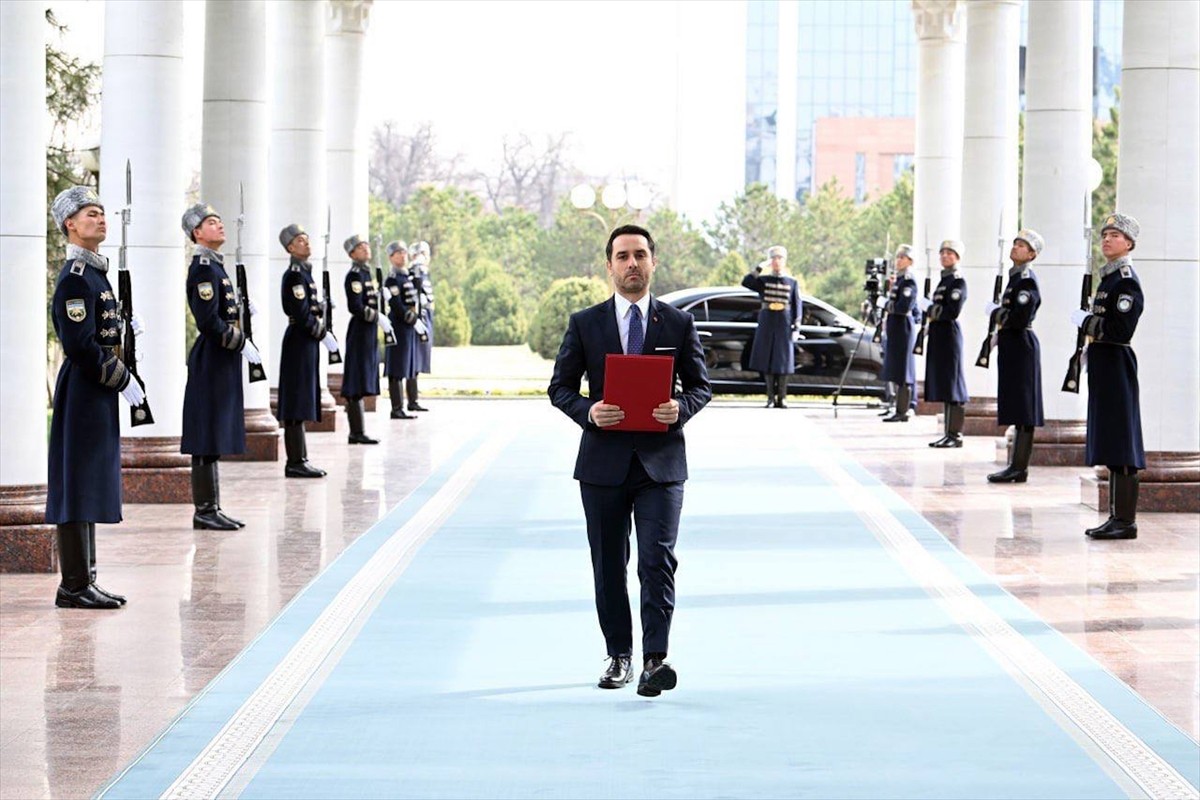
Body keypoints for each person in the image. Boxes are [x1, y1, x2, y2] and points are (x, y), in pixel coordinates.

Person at [548, 224, 712, 697]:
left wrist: (681, 407)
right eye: (622, 256)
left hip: (661, 465)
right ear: (609, 266)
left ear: (653, 262)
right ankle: (618, 654)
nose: (632, 263)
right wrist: (589, 411)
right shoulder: (586, 323)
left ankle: (655, 661)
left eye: (640, 254)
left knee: (657, 562)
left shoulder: (678, 324)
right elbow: (560, 388)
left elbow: (701, 386)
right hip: (603, 466)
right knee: (608, 564)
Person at [46, 186, 144, 609]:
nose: (101, 219)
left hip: (97, 387)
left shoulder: (96, 273)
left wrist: (125, 330)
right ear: (70, 224)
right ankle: (72, 585)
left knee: (88, 480)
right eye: (91, 213)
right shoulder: (75, 277)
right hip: (86, 386)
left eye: (102, 212)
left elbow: (100, 331)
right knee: (77, 482)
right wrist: (121, 377)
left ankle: (86, 579)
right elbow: (80, 345)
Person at [180, 203, 262, 529]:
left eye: (218, 220)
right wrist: (240, 341)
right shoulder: (203, 269)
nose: (220, 225)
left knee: (213, 434)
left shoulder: (216, 266)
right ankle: (204, 510)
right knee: (205, 435)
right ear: (197, 233)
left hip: (222, 358)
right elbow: (208, 322)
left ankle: (212, 507)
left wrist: (242, 311)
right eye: (212, 222)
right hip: (212, 358)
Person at [1075, 213, 1145, 540]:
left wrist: (1086, 322)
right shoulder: (1109, 279)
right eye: (1105, 235)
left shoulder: (1126, 281)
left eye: (1115, 235)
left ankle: (1126, 521)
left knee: (1122, 441)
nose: (1107, 239)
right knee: (1112, 441)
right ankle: (1116, 516)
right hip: (1104, 363)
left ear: (1129, 243)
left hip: (1116, 362)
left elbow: (1120, 329)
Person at [277, 224, 339, 477]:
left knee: (302, 399)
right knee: (295, 401)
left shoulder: (305, 273)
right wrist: (322, 334)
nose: (307, 243)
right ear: (290, 248)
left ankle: (300, 458)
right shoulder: (294, 276)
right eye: (301, 240)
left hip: (306, 341)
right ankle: (295, 461)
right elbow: (301, 315)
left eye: (307, 238)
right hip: (299, 341)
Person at [986, 229, 1045, 483]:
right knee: (1017, 407)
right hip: (1012, 345)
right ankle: (1015, 465)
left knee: (1024, 410)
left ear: (1032, 254)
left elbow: (1019, 318)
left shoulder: (1026, 280)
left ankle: (1019, 467)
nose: (1015, 247)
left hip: (1022, 345)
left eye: (1022, 245)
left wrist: (995, 313)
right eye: (1015, 243)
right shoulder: (1015, 279)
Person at [340, 234, 392, 444]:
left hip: (368, 331)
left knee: (362, 379)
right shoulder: (354, 276)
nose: (366, 249)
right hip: (360, 331)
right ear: (352, 254)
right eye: (361, 247)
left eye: (366, 245)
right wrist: (377, 316)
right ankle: (356, 432)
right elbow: (356, 306)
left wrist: (381, 298)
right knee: (355, 381)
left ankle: (359, 431)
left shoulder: (366, 273)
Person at [920, 239, 969, 447]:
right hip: (939, 334)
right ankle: (948, 433)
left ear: (957, 257)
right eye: (942, 253)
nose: (945, 256)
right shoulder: (943, 281)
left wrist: (929, 308)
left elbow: (951, 311)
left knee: (953, 384)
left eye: (950, 253)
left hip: (949, 333)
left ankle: (955, 435)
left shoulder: (958, 282)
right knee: (946, 385)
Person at [742, 245, 801, 408]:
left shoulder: (792, 281)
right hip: (767, 322)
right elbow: (746, 282)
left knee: (783, 361)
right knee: (767, 360)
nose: (777, 261)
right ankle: (770, 398)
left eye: (780, 258)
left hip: (784, 323)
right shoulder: (764, 280)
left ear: (784, 261)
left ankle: (782, 397)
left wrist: (796, 326)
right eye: (774, 258)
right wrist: (760, 267)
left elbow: (797, 305)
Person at [382, 240, 421, 420]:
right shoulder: (393, 278)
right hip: (399, 325)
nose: (402, 256)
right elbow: (396, 304)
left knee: (407, 365)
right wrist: (411, 318)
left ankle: (407, 403)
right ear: (391, 257)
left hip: (408, 326)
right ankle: (396, 408)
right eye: (398, 253)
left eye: (404, 252)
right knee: (397, 368)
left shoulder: (406, 277)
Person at [881, 244, 919, 422]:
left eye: (902, 257)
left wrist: (885, 304)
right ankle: (897, 407)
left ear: (910, 261)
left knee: (904, 370)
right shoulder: (899, 280)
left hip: (903, 326)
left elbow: (903, 306)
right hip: (895, 326)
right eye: (898, 257)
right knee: (896, 367)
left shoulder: (909, 281)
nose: (898, 260)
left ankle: (903, 410)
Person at [407, 240, 434, 412]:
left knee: (417, 360)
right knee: (414, 360)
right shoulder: (416, 270)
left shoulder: (423, 271)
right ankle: (412, 400)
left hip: (424, 317)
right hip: (418, 318)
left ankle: (413, 399)